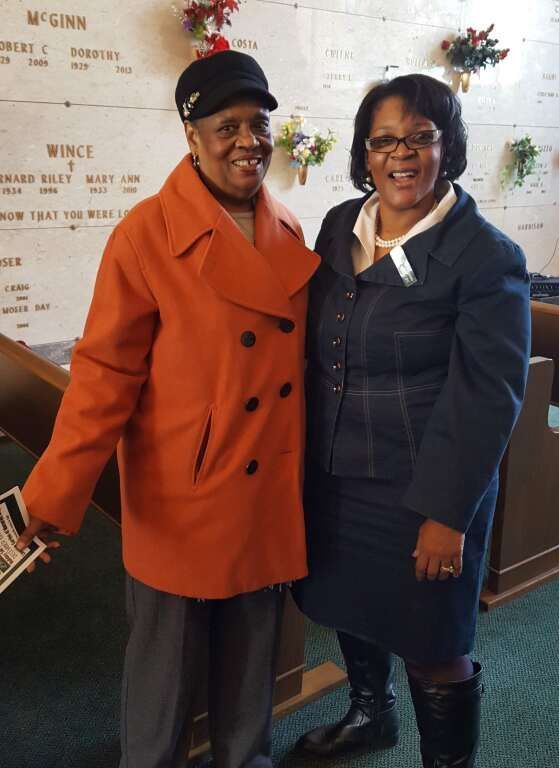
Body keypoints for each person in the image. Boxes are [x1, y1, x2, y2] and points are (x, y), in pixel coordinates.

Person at [16, 51, 319, 768]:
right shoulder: (145, 235)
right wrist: (51, 495)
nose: (249, 141)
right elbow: (104, 378)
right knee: (164, 678)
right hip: (183, 493)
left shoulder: (290, 232)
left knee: (250, 668)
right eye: (227, 126)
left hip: (265, 488)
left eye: (259, 123)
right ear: (191, 136)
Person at [292, 74, 530, 768]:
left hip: (423, 490)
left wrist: (447, 515)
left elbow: (489, 396)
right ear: (365, 154)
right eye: (385, 140)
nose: (403, 154)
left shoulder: (487, 257)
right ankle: (371, 715)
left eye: (421, 138)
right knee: (350, 606)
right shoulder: (342, 225)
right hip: (338, 473)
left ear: (446, 146)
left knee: (435, 643)